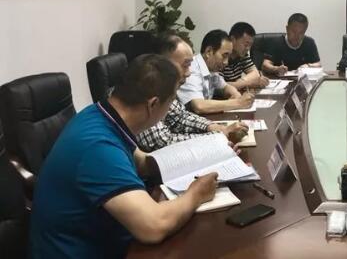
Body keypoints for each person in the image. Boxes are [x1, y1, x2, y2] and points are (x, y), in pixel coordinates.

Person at [30, 55, 219, 258]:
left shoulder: (100, 114)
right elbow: (153, 226)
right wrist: (196, 194)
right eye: (171, 102)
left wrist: (195, 157)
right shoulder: (99, 148)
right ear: (153, 104)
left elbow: (142, 163)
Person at [137, 32, 248, 151]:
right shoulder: (146, 90)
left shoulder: (165, 87)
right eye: (185, 65)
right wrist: (216, 136)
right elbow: (163, 141)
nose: (189, 72)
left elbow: (180, 117)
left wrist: (214, 127)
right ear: (164, 63)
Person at [178, 29, 255, 115]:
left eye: (228, 57)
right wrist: (238, 103)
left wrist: (236, 94)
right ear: (209, 52)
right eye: (224, 56)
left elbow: (225, 87)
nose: (226, 62)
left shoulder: (211, 69)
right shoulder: (192, 69)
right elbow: (199, 106)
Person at [222, 22, 270, 90]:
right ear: (233, 39)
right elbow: (219, 86)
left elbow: (255, 73)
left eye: (250, 45)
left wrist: (241, 82)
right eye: (246, 44)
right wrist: (247, 83)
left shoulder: (242, 55)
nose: (248, 48)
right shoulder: (222, 58)